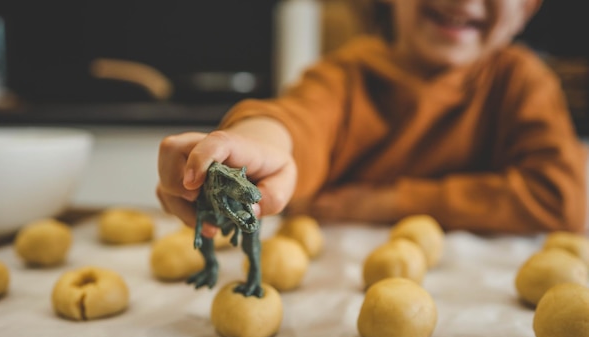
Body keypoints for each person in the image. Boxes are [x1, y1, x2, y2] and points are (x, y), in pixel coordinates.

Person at [157, 0, 587, 237]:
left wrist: (383, 204)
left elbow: (561, 198)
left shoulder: (521, 82)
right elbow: (294, 121)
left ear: (526, 9)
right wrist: (253, 148)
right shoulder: (346, 75)